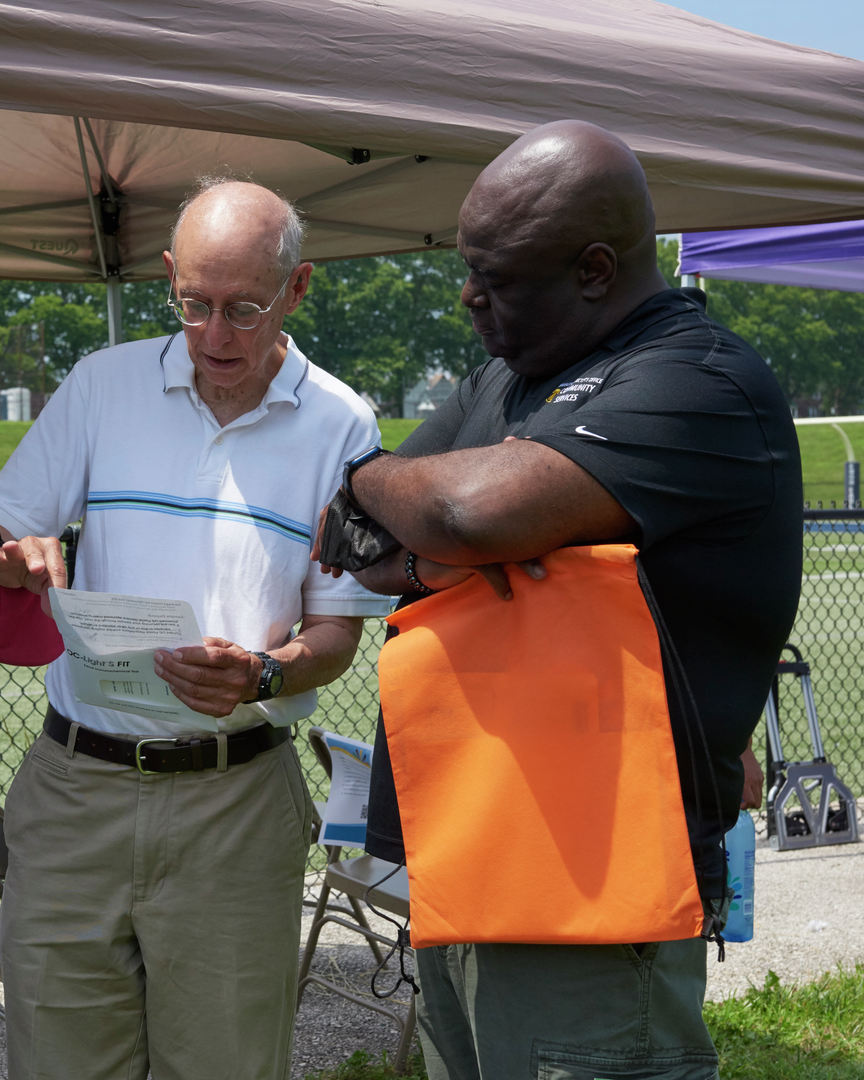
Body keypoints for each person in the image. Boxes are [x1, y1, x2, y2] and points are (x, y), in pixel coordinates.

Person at [315, 120, 802, 1079]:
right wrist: (403, 516)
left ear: (591, 269)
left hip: (594, 882)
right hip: (470, 853)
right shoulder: (511, 377)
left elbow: (464, 507)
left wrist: (440, 516)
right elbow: (351, 538)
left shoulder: (696, 380)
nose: (468, 297)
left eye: (495, 277)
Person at [0, 178, 389, 1080]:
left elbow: (338, 635)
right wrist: (11, 557)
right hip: (76, 789)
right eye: (193, 304)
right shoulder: (101, 384)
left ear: (298, 288)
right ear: (169, 277)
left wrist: (265, 674)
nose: (216, 336)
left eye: (244, 308)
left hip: (234, 802)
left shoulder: (343, 424)